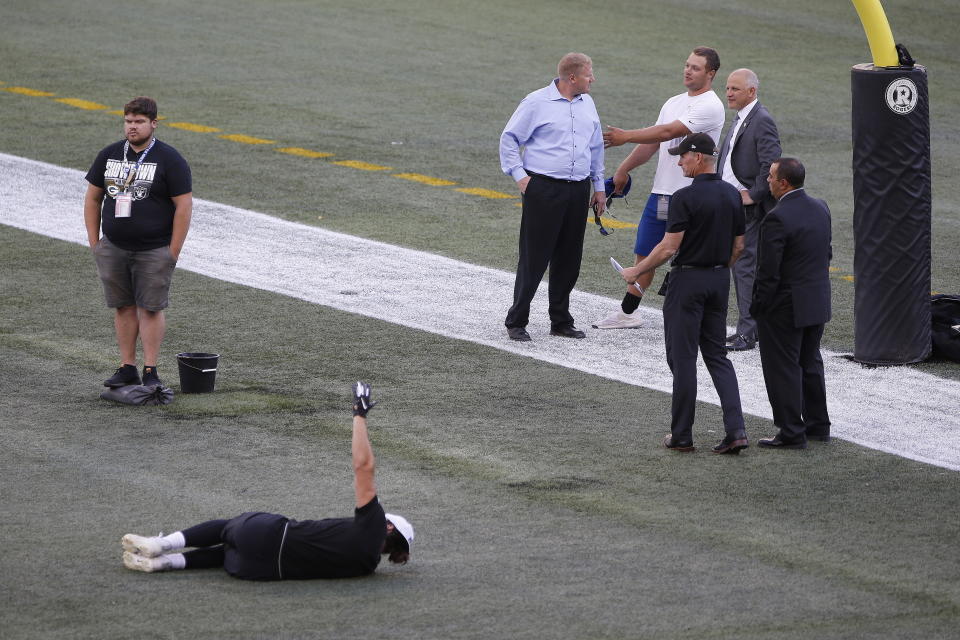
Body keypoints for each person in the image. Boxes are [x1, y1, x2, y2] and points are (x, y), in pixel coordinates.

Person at [120, 382, 415, 578]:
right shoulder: (367, 566)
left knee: (227, 528)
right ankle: (164, 563)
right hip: (254, 570)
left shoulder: (373, 527)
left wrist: (359, 415)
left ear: (387, 526)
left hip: (265, 534)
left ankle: (162, 544)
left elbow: (363, 467)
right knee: (226, 553)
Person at [619, 133, 747, 454]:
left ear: (699, 158)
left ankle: (682, 435)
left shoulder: (683, 198)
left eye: (683, 157)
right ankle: (736, 430)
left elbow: (668, 247)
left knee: (684, 359)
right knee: (718, 356)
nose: (679, 162)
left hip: (687, 283)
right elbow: (740, 247)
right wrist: (718, 268)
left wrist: (636, 272)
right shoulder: (733, 195)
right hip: (719, 281)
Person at [594, 47, 725, 330]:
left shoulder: (710, 105)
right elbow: (653, 143)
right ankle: (628, 313)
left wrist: (624, 136)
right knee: (645, 253)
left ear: (710, 74)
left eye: (696, 67)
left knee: (688, 258)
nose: (688, 70)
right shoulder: (673, 101)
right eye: (687, 65)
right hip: (663, 192)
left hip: (693, 194)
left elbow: (669, 133)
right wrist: (624, 169)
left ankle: (694, 316)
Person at [84, 96, 193, 389]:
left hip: (155, 248)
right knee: (123, 306)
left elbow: (184, 206)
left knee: (151, 308)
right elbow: (93, 199)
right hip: (114, 246)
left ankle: (151, 369)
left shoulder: (170, 159)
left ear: (153, 124)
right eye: (128, 121)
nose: (132, 127)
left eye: (139, 122)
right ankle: (127, 366)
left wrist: (173, 250)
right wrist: (95, 243)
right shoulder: (109, 155)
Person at [499, 52, 606, 342]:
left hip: (578, 189)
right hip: (543, 188)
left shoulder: (588, 103)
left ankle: (560, 320)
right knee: (535, 256)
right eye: (588, 74)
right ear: (572, 77)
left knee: (569, 257)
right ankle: (517, 320)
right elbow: (509, 139)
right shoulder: (536, 102)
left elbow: (595, 147)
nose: (593, 79)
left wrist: (599, 187)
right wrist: (521, 178)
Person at [751, 158, 832, 449]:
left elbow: (768, 271)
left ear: (784, 183)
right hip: (817, 300)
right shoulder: (821, 206)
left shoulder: (776, 217)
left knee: (782, 367)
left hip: (785, 306)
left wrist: (759, 306)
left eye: (771, 177)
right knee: (809, 362)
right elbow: (827, 254)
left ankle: (791, 431)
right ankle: (818, 425)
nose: (767, 181)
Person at [717, 69, 782, 351]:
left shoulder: (762, 120)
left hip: (749, 211)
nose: (728, 93)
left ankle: (748, 331)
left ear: (751, 92)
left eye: (735, 89)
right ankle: (747, 329)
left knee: (745, 270)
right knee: (740, 268)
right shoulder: (744, 116)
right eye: (728, 87)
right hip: (732, 205)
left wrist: (753, 195)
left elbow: (772, 164)